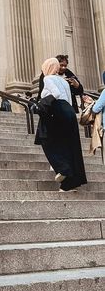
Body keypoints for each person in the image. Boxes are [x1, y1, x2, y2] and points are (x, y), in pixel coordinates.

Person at [34, 57, 87, 192]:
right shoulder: (63, 81)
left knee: (46, 139)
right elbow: (68, 99)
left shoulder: (47, 79)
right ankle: (70, 182)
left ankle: (62, 168)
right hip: (68, 111)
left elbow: (55, 94)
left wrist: (41, 104)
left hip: (55, 110)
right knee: (69, 145)